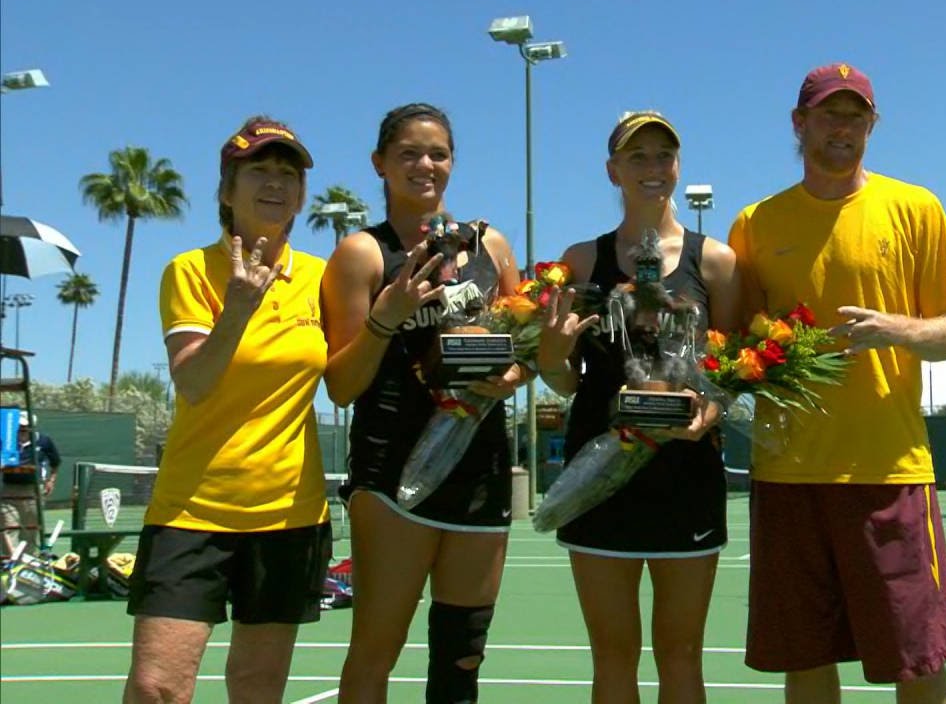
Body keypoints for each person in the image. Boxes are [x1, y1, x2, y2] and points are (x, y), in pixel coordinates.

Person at [728, 63, 946, 704]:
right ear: (798, 123)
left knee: (916, 659)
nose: (842, 127)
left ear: (873, 125)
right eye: (829, 114)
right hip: (786, 474)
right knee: (803, 657)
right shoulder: (756, 222)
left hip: (888, 471)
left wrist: (897, 328)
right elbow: (739, 343)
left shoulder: (916, 208)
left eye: (855, 115)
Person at [321, 102, 526, 704]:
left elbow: (523, 344)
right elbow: (341, 385)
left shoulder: (490, 245)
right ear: (379, 164)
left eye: (437, 153)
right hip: (392, 477)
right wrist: (387, 316)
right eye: (408, 153)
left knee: (463, 655)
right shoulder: (362, 253)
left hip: (479, 470)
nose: (424, 165)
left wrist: (512, 373)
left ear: (453, 163)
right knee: (375, 651)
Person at [124, 117, 332, 704]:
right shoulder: (190, 270)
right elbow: (193, 381)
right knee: (157, 687)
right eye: (259, 171)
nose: (275, 183)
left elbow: (348, 378)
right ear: (226, 190)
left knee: (257, 687)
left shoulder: (323, 277)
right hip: (192, 512)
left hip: (290, 516)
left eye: (287, 173)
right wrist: (238, 310)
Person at [536, 111, 740, 704]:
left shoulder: (717, 262)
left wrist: (712, 411)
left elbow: (732, 375)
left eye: (663, 156)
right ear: (612, 171)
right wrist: (550, 354)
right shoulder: (577, 261)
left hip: (686, 477)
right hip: (599, 478)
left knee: (681, 658)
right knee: (612, 657)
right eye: (637, 157)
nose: (652, 168)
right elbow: (565, 380)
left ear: (678, 166)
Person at [1, 411, 61, 557]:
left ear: (32, 427)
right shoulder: (7, 441)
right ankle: (11, 560)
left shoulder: (44, 441)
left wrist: (51, 480)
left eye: (26, 426)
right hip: (9, 490)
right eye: (20, 426)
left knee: (30, 529)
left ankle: (26, 562)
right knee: (6, 526)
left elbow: (56, 462)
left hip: (33, 491)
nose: (22, 429)